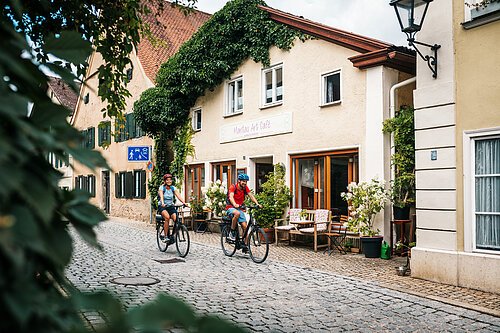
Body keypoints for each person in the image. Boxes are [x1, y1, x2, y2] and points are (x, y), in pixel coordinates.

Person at [225, 173, 261, 251]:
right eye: (243, 181)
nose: (245, 183)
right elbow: (231, 196)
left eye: (246, 181)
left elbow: (251, 195)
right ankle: (232, 232)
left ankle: (244, 245)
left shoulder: (245, 188)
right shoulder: (233, 187)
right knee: (237, 213)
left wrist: (257, 203)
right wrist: (234, 204)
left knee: (246, 228)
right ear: (239, 181)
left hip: (240, 209)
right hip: (230, 207)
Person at [158, 173, 187, 244]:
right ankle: (165, 236)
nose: (169, 181)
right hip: (163, 206)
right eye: (167, 180)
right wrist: (162, 203)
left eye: (170, 180)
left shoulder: (173, 188)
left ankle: (173, 235)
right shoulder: (162, 188)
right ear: (165, 181)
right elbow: (161, 196)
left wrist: (184, 202)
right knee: (167, 217)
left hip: (170, 206)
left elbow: (178, 196)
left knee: (176, 219)